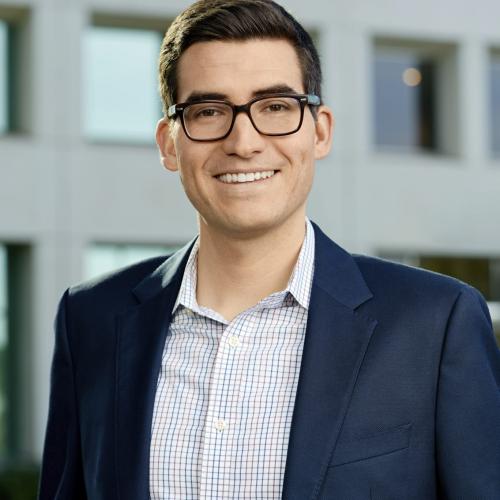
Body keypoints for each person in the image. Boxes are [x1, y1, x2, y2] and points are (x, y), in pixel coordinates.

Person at [38, 0, 500, 498]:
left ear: (319, 131)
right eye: (208, 111)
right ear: (170, 143)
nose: (244, 142)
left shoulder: (436, 322)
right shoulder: (90, 319)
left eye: (275, 107)